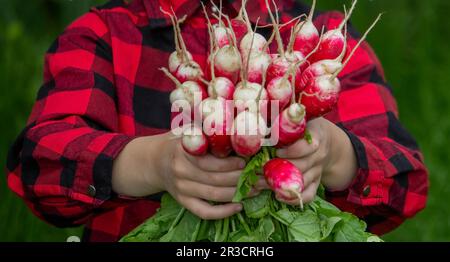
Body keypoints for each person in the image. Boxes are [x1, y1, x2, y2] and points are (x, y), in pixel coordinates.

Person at [6, 0, 428, 242]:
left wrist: (336, 156)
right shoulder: (103, 34)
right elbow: (39, 165)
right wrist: (151, 164)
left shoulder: (323, 35)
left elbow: (408, 181)